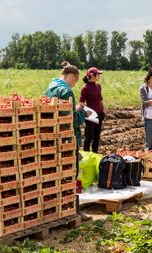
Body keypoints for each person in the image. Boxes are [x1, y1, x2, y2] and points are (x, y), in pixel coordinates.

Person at [44, 61, 91, 221]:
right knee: (72, 174)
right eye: (75, 81)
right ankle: (74, 210)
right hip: (67, 140)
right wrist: (83, 114)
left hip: (52, 138)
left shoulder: (49, 88)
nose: (74, 84)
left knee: (57, 175)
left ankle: (57, 209)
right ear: (71, 76)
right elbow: (70, 119)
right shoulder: (66, 91)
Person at [79, 67, 105, 153]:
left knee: (97, 136)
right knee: (88, 137)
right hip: (90, 116)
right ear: (92, 75)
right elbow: (81, 103)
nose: (99, 76)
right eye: (98, 74)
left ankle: (95, 153)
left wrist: (103, 111)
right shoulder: (85, 88)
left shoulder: (98, 86)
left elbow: (100, 99)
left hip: (99, 114)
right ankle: (86, 155)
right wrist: (85, 113)